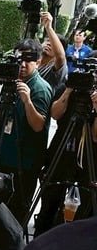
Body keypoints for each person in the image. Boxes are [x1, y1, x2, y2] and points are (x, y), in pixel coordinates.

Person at [0, 38, 53, 227]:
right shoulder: (12, 82)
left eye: (28, 60)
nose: (22, 65)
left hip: (23, 162)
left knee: (14, 213)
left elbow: (38, 126)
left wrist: (27, 101)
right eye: (19, 59)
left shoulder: (39, 87)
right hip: (1, 155)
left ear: (38, 62)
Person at [33, 85, 97, 236]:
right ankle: (40, 240)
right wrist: (68, 91)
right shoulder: (68, 88)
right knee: (48, 205)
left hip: (87, 163)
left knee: (79, 212)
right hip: (60, 156)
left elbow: (95, 136)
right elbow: (55, 114)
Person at [37, 12, 67, 95]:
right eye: (47, 40)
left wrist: (49, 27)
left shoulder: (56, 68)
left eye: (53, 44)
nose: (49, 44)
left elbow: (60, 57)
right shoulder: (31, 61)